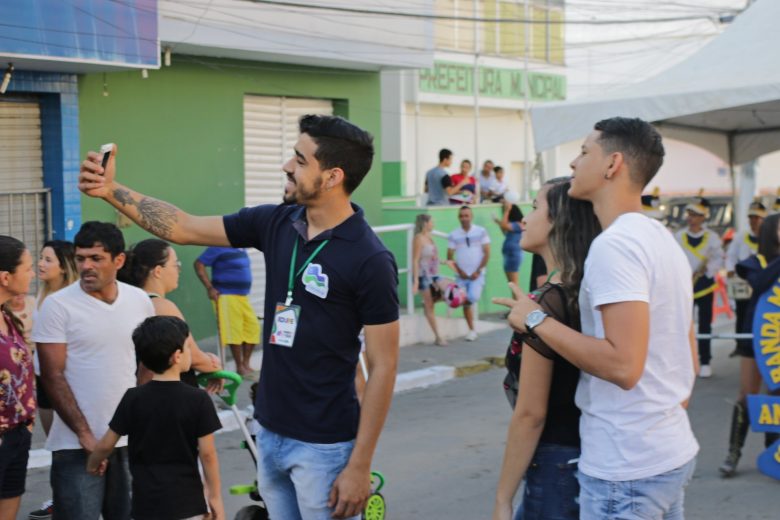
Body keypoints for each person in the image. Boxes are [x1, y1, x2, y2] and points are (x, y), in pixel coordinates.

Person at [78, 114, 400, 520]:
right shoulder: (276, 222)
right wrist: (110, 190)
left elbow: (384, 367)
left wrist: (359, 464)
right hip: (269, 431)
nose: (287, 166)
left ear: (333, 176)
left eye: (300, 161)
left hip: (325, 445)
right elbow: (184, 226)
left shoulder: (369, 258)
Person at [495, 117, 699, 519]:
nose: (574, 162)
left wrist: (536, 321)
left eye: (585, 152)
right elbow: (687, 362)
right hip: (665, 454)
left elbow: (623, 366)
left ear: (613, 164)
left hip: (625, 468)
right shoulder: (660, 238)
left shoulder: (615, 246)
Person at [493, 178, 601, 520]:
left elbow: (531, 414)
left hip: (556, 462)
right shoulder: (581, 288)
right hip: (587, 452)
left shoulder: (548, 304)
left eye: (536, 207)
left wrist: (502, 499)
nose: (525, 218)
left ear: (559, 222)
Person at [32, 222, 155, 520]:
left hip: (127, 441)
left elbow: (148, 361)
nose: (86, 266)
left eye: (96, 258)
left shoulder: (138, 300)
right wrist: (86, 435)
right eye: (80, 258)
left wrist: (135, 417)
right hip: (76, 445)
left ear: (119, 260)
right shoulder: (57, 306)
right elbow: (52, 375)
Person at [87, 316, 224, 520]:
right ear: (177, 356)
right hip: (188, 505)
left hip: (146, 507)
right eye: (188, 347)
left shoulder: (133, 398)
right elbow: (208, 455)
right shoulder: (198, 400)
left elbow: (106, 445)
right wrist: (215, 498)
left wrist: (93, 463)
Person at [719, 212, 780, 477]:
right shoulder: (753, 263)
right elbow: (760, 282)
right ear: (770, 231)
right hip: (755, 337)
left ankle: (773, 450)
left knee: (776, 396)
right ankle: (733, 453)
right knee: (746, 395)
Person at [119, 239, 222, 389]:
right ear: (158, 271)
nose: (179, 270)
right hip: (163, 392)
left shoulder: (127, 301)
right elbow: (192, 356)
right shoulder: (161, 306)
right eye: (176, 265)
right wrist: (214, 364)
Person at [26, 240, 78, 520]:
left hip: (64, 382)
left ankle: (69, 501)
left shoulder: (73, 301)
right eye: (41, 258)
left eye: (48, 260)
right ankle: (60, 498)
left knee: (70, 447)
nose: (40, 264)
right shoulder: (42, 296)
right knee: (55, 445)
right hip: (41, 380)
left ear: (65, 267)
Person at [0, 236, 36, 520]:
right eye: (28, 268)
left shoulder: (9, 316)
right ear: (5, 276)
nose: (33, 274)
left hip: (17, 434)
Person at [675, 196, 724, 378]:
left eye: (695, 215)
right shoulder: (679, 236)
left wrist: (707, 272)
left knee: (705, 324)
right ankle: (682, 360)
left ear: (703, 217)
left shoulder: (712, 238)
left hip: (704, 285)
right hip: (684, 285)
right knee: (682, 323)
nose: (691, 218)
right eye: (690, 214)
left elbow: (718, 258)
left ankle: (705, 361)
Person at [194, 246, 260, 376]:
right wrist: (209, 287)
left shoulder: (242, 248)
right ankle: (239, 366)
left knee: (253, 328)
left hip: (243, 296)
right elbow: (199, 264)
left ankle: (246, 364)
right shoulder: (217, 247)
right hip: (226, 295)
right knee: (233, 331)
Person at [725, 199, 767, 358]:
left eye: (757, 218)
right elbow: (731, 255)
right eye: (751, 217)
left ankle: (759, 344)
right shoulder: (741, 236)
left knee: (760, 313)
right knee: (742, 314)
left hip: (762, 282)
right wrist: (730, 270)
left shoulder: (769, 236)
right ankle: (740, 345)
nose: (753, 221)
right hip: (743, 282)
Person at [447, 205, 490, 341]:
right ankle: (471, 330)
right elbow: (450, 257)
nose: (464, 218)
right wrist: (460, 272)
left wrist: (478, 271)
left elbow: (487, 253)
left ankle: (456, 303)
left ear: (471, 216)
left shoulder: (481, 231)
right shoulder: (454, 234)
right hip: (461, 275)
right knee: (465, 301)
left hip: (477, 274)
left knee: (472, 297)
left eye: (466, 215)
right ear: (459, 217)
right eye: (462, 216)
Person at [411, 214, 446, 346]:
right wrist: (415, 281)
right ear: (425, 223)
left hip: (434, 275)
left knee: (447, 295)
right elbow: (415, 259)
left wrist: (444, 262)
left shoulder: (430, 238)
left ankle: (426, 303)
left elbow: (433, 257)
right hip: (423, 276)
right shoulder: (418, 238)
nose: (434, 223)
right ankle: (438, 336)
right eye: (432, 221)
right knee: (430, 305)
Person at [493, 191, 524, 286]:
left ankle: (518, 300)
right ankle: (515, 300)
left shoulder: (519, 224)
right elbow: (504, 230)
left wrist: (507, 210)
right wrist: (498, 222)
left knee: (514, 284)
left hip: (513, 255)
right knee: (511, 284)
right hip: (508, 254)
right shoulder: (511, 225)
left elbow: (505, 226)